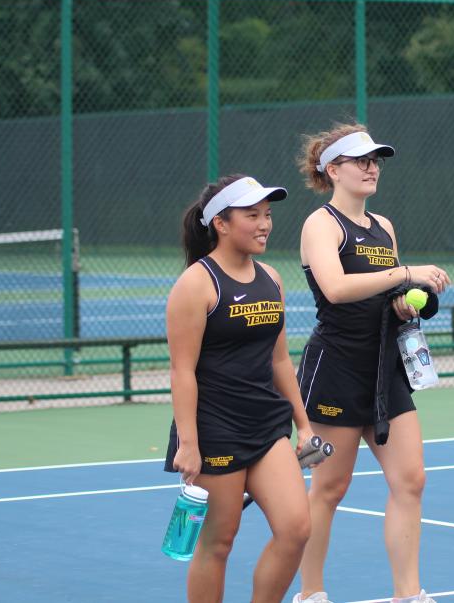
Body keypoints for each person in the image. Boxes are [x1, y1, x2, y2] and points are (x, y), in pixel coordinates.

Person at [291, 123, 451, 603]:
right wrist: (404, 272)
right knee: (329, 486)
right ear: (332, 169)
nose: (370, 167)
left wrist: (405, 302)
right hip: (335, 372)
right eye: (360, 160)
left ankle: (409, 594)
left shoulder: (384, 227)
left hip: (386, 370)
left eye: (375, 160)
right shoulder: (321, 224)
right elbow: (337, 290)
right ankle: (311, 594)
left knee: (412, 479)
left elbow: (389, 293)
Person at [164, 175, 315, 603]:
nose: (265, 223)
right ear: (221, 224)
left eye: (267, 215)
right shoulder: (197, 284)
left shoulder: (271, 277)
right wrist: (189, 444)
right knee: (219, 542)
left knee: (296, 528)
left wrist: (303, 425)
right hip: (216, 429)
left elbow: (280, 360)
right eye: (253, 215)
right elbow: (182, 372)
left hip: (267, 425)